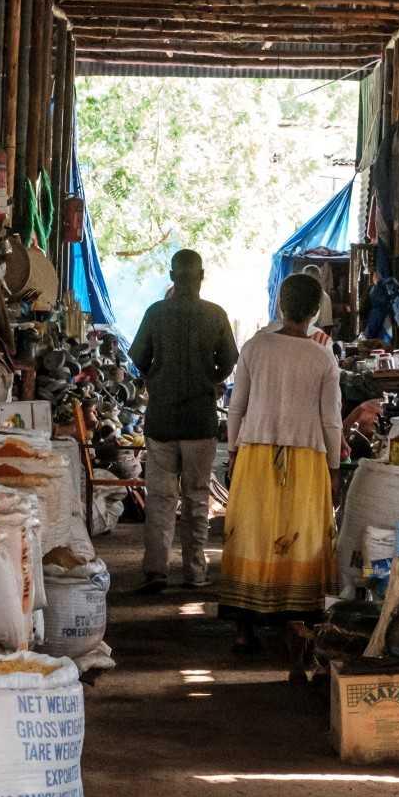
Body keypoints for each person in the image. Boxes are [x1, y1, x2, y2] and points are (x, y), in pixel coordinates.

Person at [219, 273, 343, 654]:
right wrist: (335, 467)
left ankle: (243, 627)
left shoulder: (255, 348)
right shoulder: (322, 356)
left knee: (251, 531)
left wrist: (235, 449)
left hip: (255, 452)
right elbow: (331, 419)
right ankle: (297, 618)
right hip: (307, 458)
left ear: (279, 305)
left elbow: (235, 407)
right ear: (315, 312)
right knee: (301, 532)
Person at [128, 249, 238, 593]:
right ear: (201, 276)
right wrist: (209, 380)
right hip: (200, 420)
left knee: (160, 499)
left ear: (172, 276)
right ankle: (194, 572)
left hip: (161, 420)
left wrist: (157, 378)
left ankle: (157, 571)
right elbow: (230, 361)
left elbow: (138, 360)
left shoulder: (155, 313)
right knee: (197, 498)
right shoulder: (215, 315)